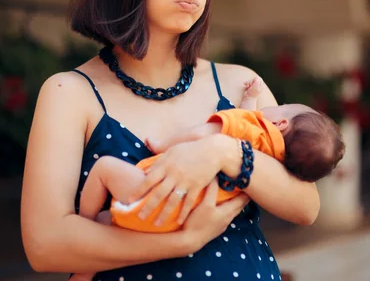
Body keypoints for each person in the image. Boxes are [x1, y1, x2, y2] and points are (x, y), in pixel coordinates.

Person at [21, 0, 322, 281]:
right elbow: (45, 245)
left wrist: (224, 152)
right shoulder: (69, 94)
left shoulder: (239, 84)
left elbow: (306, 205)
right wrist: (181, 241)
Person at [70, 77, 344, 281]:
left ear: (280, 124)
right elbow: (247, 118)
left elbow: (206, 133)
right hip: (190, 215)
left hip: (164, 196)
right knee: (115, 220)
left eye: (281, 107)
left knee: (105, 171)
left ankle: (85, 245)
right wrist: (251, 99)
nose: (274, 106)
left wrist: (162, 143)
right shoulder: (274, 159)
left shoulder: (256, 130)